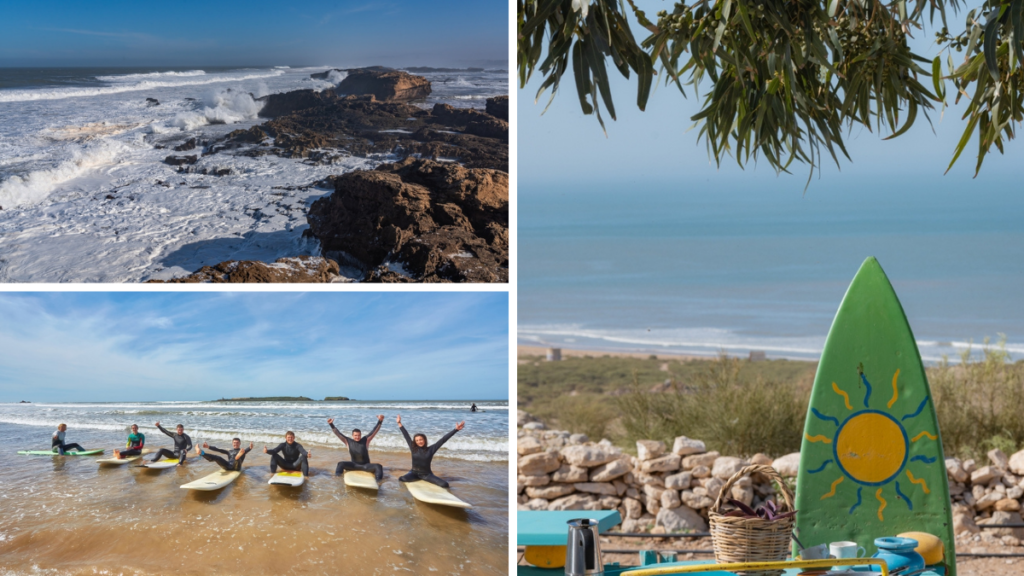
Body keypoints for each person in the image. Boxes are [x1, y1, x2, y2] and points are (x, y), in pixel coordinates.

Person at [396, 414, 464, 488]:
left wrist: (456, 430)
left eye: (421, 439)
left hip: (426, 474)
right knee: (402, 479)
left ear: (424, 440)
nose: (419, 441)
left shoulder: (431, 449)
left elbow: (443, 440)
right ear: (415, 442)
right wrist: (399, 423)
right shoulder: (413, 448)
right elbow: (406, 435)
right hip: (414, 473)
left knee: (445, 484)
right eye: (417, 440)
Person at [327, 415, 384, 481]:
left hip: (365, 466)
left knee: (378, 466)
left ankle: (378, 481)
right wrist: (331, 424)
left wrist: (380, 421)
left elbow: (374, 431)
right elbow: (338, 434)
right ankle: (337, 478)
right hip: (354, 465)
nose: (357, 437)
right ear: (352, 435)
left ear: (361, 435)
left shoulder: (366, 440)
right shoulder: (348, 441)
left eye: (359, 435)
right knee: (340, 464)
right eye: (355, 435)